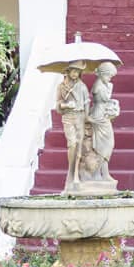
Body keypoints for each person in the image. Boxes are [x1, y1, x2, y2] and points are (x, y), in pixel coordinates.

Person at [82, 61, 120, 192]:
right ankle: (97, 174)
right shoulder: (99, 86)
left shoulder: (102, 84)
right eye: (109, 76)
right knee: (103, 145)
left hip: (102, 115)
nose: (110, 79)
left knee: (106, 145)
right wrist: (110, 86)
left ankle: (104, 173)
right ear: (103, 74)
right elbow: (105, 98)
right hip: (99, 116)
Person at [54, 66, 90, 194]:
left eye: (78, 72)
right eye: (73, 71)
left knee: (80, 145)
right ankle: (70, 171)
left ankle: (76, 174)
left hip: (80, 117)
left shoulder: (82, 86)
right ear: (68, 71)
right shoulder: (61, 87)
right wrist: (65, 105)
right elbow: (58, 106)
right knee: (72, 143)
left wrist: (87, 117)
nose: (75, 74)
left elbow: (86, 102)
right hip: (68, 117)